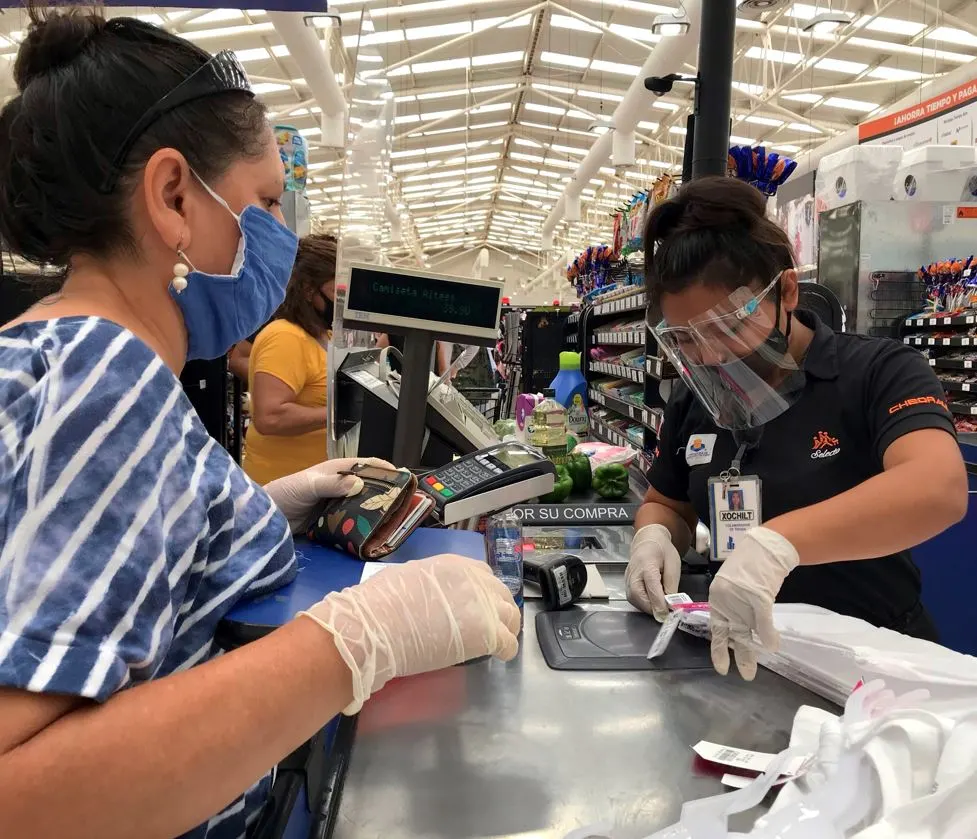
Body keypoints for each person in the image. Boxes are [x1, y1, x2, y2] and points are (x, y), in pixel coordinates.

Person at [0, 10, 518, 839]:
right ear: (174, 197)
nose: (280, 239)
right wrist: (355, 640)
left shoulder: (49, 350)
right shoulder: (107, 378)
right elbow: (18, 799)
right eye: (267, 202)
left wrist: (258, 509)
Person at [626, 176, 967, 682]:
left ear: (786, 290)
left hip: (873, 667)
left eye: (728, 328)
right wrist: (653, 539)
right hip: (743, 659)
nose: (713, 356)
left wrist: (777, 544)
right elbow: (668, 501)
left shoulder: (878, 372)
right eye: (689, 340)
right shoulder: (697, 399)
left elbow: (937, 488)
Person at [243, 233, 337, 485]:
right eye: (335, 290)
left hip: (313, 485)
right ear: (308, 290)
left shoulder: (324, 335)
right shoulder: (285, 337)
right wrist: (339, 413)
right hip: (281, 490)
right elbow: (269, 417)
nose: (342, 300)